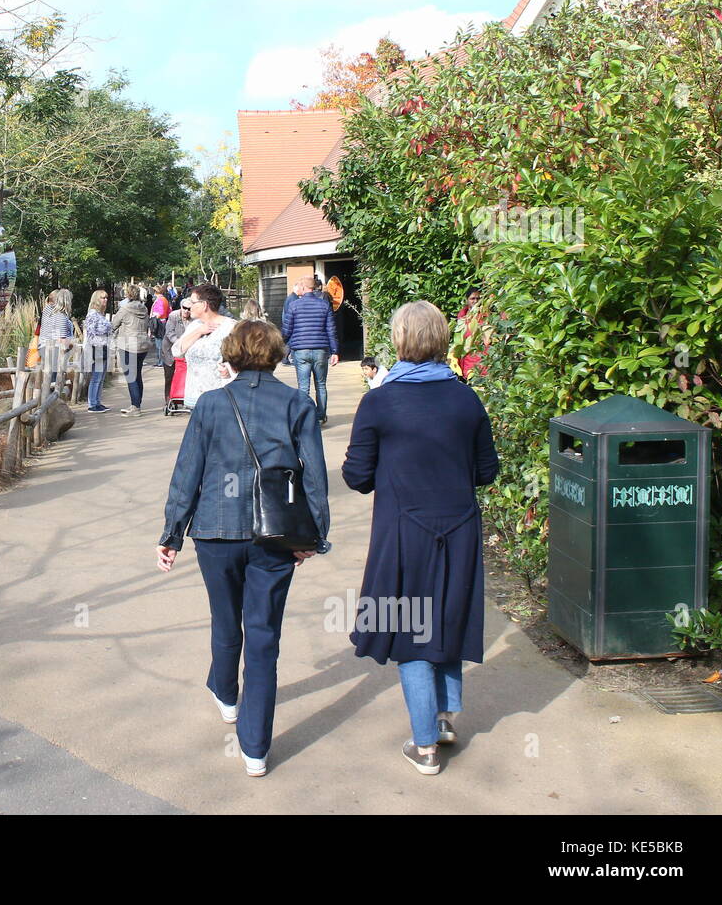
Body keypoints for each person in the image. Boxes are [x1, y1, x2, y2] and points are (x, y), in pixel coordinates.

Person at [158, 320, 331, 778]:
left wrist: (172, 533)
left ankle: (225, 693)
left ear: (230, 355)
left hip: (215, 530)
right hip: (274, 534)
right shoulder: (298, 403)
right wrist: (314, 535)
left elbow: (187, 472)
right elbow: (313, 474)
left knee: (224, 616)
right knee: (264, 632)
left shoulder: (211, 405)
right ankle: (255, 746)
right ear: (277, 355)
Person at [341, 301, 500, 776]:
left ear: (399, 340)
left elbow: (355, 474)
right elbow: (487, 471)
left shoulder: (380, 400)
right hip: (459, 526)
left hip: (404, 530)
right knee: (449, 617)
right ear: (442, 339)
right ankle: (445, 718)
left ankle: (425, 744)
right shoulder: (465, 398)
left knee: (412, 629)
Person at [282, 276, 339, 426]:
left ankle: (304, 418)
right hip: (321, 350)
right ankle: (321, 416)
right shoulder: (324, 305)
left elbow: (287, 330)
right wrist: (335, 351)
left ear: (304, 287)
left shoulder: (294, 306)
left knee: (303, 386)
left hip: (300, 350)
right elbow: (331, 330)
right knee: (321, 385)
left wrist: (282, 344)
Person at [172, 283, 236, 409]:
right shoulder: (195, 326)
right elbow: (176, 351)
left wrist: (228, 370)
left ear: (204, 305)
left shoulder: (231, 328)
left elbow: (244, 362)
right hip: (195, 399)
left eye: (193, 302)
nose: (189, 306)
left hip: (220, 400)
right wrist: (199, 331)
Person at [112, 283, 151, 416]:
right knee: (137, 374)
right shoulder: (144, 309)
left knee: (131, 376)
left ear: (127, 294)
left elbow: (113, 324)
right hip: (143, 345)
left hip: (128, 345)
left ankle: (135, 407)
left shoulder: (124, 309)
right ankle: (137, 403)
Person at [83, 290, 113, 412]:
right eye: (102, 298)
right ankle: (92, 404)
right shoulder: (92, 315)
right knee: (96, 377)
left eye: (106, 298)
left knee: (100, 377)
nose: (105, 300)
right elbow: (90, 334)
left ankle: (97, 401)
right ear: (96, 299)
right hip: (97, 348)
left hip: (104, 347)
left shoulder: (100, 315)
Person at [40, 288, 74, 394]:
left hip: (46, 347)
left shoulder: (48, 311)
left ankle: (49, 403)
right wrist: (73, 344)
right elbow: (61, 339)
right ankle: (52, 405)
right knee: (54, 381)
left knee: (50, 379)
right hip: (54, 350)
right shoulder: (61, 316)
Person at [456, 287, 490, 381]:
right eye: (472, 298)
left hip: (482, 358)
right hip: (468, 360)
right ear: (467, 300)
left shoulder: (485, 315)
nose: (475, 301)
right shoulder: (462, 317)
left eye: (478, 299)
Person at [161, 298, 190, 403]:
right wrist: (180, 344)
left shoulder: (194, 319)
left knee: (183, 377)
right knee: (169, 376)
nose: (186, 311)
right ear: (181, 307)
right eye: (184, 308)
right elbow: (169, 333)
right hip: (170, 351)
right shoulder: (174, 316)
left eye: (189, 309)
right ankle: (168, 399)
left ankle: (181, 397)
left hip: (185, 352)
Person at [148, 289, 171, 367]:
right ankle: (161, 361)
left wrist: (154, 318)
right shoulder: (165, 300)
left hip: (159, 322)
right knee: (161, 342)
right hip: (163, 322)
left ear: (156, 292)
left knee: (159, 343)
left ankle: (160, 361)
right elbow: (168, 311)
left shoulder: (160, 300)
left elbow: (160, 312)